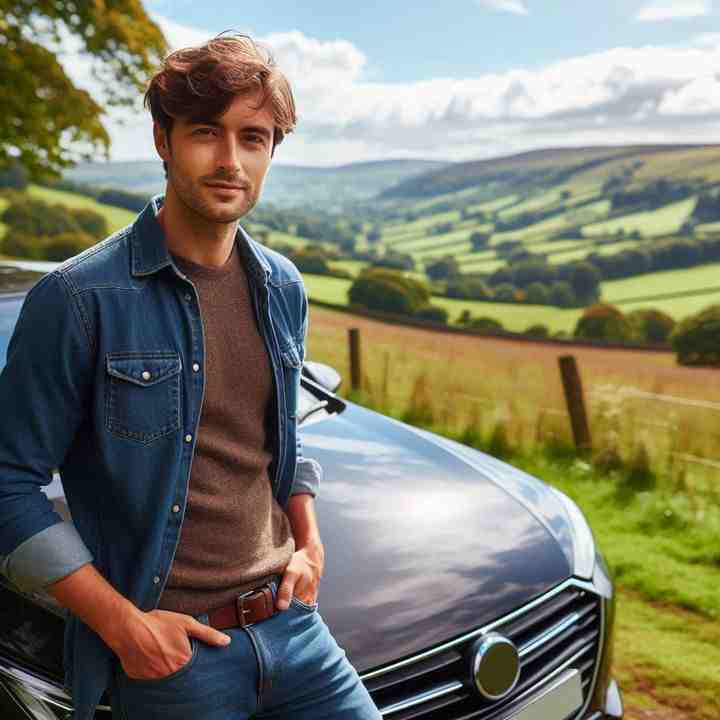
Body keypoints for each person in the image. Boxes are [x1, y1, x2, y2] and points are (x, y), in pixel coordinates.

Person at [0, 33, 381, 720]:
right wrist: (123, 626)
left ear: (271, 151)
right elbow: (6, 483)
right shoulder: (79, 299)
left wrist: (309, 541)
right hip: (176, 653)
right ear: (163, 140)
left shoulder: (282, 286)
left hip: (293, 625)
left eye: (254, 138)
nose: (231, 160)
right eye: (207, 132)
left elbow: (274, 442)